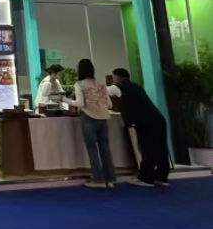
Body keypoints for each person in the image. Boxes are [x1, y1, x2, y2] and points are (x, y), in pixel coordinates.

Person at [110, 68, 170, 187]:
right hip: (158, 119)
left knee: (147, 149)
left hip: (146, 122)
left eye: (113, 77)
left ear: (118, 77)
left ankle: (146, 178)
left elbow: (106, 93)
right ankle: (162, 177)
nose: (113, 80)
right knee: (160, 149)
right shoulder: (136, 87)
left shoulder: (122, 88)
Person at [65, 59, 116, 188]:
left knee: (92, 149)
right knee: (105, 149)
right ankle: (110, 179)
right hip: (103, 118)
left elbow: (80, 103)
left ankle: (98, 179)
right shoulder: (101, 85)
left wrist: (65, 100)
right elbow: (109, 104)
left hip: (88, 117)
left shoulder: (79, 84)